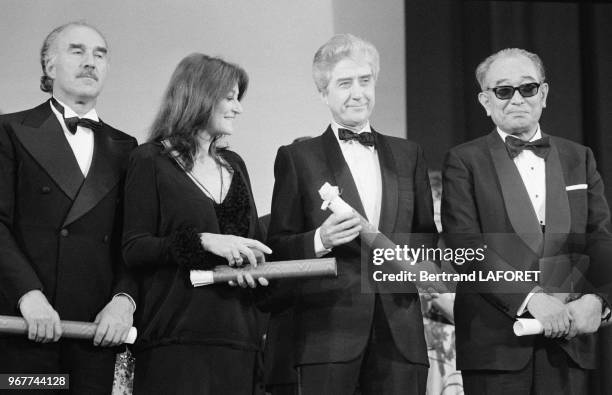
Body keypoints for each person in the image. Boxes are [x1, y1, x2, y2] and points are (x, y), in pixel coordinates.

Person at [265, 34, 437, 395]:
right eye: (345, 83)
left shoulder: (410, 155)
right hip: (327, 334)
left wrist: (419, 262)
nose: (358, 93)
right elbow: (277, 248)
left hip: (400, 334)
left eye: (365, 80)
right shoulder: (298, 158)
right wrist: (320, 239)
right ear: (323, 92)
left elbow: (425, 236)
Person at [442, 48, 612, 394]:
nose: (517, 98)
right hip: (495, 345)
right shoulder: (463, 161)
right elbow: (466, 247)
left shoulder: (579, 157)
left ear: (544, 94)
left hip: (569, 340)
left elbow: (600, 239)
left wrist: (600, 302)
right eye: (503, 91)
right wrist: (531, 297)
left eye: (527, 88)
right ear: (485, 101)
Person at [122, 53, 271, 395]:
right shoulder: (150, 161)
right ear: (199, 96)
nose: (238, 108)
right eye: (230, 98)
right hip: (175, 339)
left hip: (239, 339)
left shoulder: (235, 164)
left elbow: (254, 243)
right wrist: (203, 241)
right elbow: (134, 247)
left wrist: (255, 264)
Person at [0, 21, 137, 394]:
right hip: (24, 325)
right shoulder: (9, 131)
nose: (90, 62)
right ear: (49, 66)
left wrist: (124, 302)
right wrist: (27, 294)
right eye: (77, 51)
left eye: (99, 54)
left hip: (94, 330)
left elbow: (132, 239)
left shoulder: (127, 148)